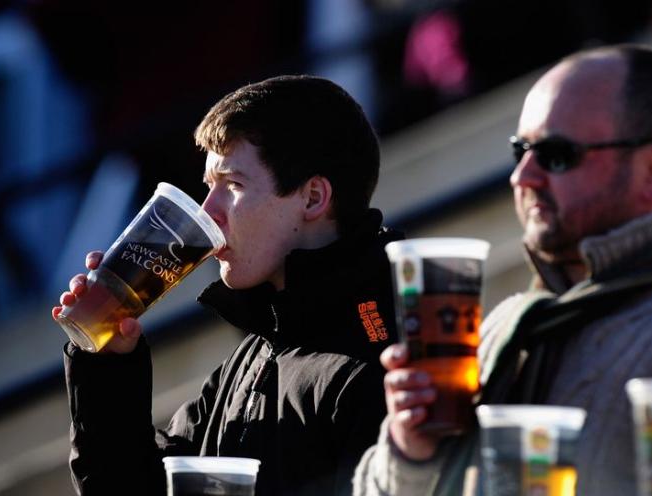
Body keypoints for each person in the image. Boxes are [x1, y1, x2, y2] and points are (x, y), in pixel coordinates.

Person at [353, 44, 652, 496]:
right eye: (521, 150)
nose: (522, 177)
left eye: (556, 154)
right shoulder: (510, 324)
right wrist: (412, 450)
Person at [52, 75, 403, 495]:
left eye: (233, 185)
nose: (208, 212)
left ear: (312, 198)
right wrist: (108, 365)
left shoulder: (381, 366)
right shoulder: (258, 348)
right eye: (208, 187)